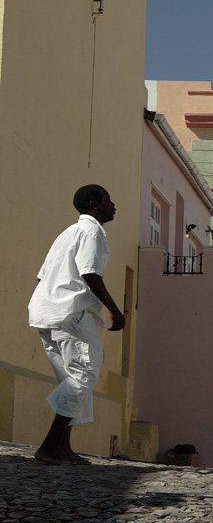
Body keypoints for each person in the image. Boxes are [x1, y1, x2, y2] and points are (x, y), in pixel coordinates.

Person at [28, 185, 125, 465]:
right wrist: (114, 310)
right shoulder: (92, 231)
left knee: (71, 379)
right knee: (83, 375)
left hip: (47, 312)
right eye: (108, 200)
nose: (113, 205)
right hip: (71, 314)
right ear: (95, 205)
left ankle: (62, 447)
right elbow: (89, 272)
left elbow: (42, 276)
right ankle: (49, 446)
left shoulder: (67, 234)